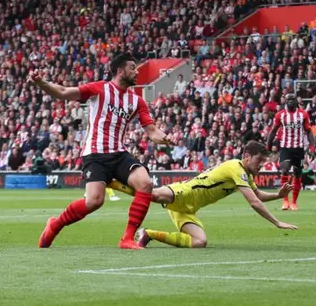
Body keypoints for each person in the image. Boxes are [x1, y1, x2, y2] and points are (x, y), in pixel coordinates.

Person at [30, 53, 173, 249]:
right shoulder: (99, 88)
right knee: (94, 201)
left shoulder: (137, 100)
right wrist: (41, 83)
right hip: (95, 154)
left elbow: (152, 130)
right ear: (120, 71)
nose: (137, 71)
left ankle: (127, 239)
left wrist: (165, 138)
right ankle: (55, 224)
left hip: (119, 154)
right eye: (133, 68)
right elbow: (63, 92)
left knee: (145, 183)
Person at [106, 141, 298, 248]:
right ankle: (113, 181)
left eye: (264, 161)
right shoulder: (236, 167)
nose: (261, 164)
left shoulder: (244, 174)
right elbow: (255, 203)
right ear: (247, 156)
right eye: (259, 160)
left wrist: (278, 195)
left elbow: (259, 196)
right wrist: (276, 222)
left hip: (189, 208)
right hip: (184, 193)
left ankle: (148, 234)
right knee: (151, 194)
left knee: (200, 242)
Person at [267, 94, 315, 211]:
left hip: (299, 148)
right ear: (285, 101)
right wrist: (268, 145)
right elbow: (273, 131)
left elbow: (309, 131)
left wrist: (312, 147)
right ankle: (285, 200)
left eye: (292, 99)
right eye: (288, 99)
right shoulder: (280, 115)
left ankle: (294, 202)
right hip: (285, 148)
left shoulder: (303, 114)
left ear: (296, 101)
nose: (290, 102)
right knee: (284, 170)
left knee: (298, 174)